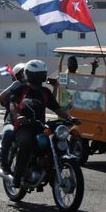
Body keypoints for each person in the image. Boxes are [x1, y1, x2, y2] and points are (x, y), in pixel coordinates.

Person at [9, 59, 73, 188]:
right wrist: (18, 115)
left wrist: (70, 118)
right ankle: (17, 177)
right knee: (27, 143)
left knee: (56, 141)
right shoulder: (22, 88)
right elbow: (13, 104)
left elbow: (57, 109)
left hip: (40, 126)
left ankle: (49, 166)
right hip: (24, 126)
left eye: (41, 74)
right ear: (30, 75)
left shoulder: (45, 92)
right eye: (36, 75)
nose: (39, 77)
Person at [0, 62, 26, 173]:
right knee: (9, 133)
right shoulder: (15, 88)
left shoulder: (33, 87)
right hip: (12, 120)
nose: (24, 76)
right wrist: (13, 86)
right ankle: (4, 163)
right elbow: (1, 98)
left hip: (28, 120)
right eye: (21, 74)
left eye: (25, 73)